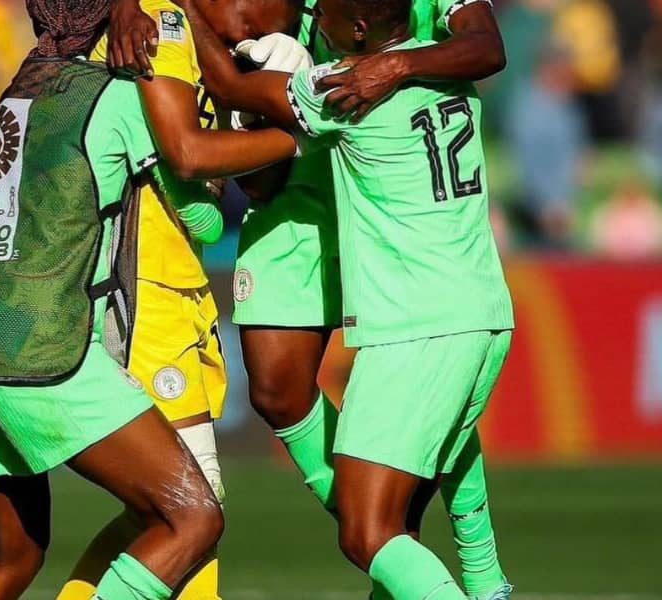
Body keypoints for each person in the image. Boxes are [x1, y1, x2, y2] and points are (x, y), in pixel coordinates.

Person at [0, 1, 301, 599]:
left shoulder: (17, 92)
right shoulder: (117, 96)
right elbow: (201, 210)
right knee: (193, 517)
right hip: (42, 342)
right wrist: (291, 136)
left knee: (12, 560)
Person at [173, 0, 515, 598]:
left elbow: (227, 91)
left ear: (357, 28)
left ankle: (438, 562)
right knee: (392, 485)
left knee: (368, 532)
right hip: (478, 302)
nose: (314, 15)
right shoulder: (451, 80)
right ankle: (462, 575)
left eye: (324, 10)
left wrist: (180, 13)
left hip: (414, 319)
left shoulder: (345, 89)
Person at [55, 1, 305, 599]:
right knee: (192, 503)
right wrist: (298, 131)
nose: (272, 25)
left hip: (176, 282)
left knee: (169, 512)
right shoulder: (161, 20)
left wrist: (267, 99)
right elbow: (188, 156)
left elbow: (254, 185)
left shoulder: (211, 49)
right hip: (141, 280)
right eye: (272, 7)